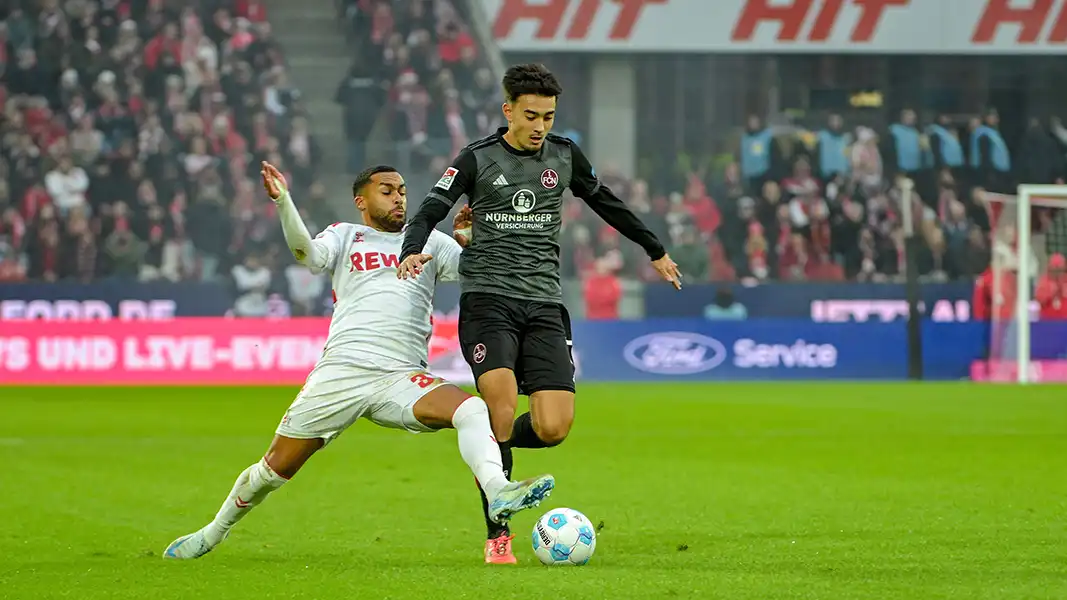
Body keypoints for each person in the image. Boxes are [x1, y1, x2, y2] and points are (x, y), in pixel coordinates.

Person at [162, 162, 554, 560]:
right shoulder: (346, 236)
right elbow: (308, 255)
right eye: (387, 191)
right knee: (272, 472)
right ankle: (212, 533)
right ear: (361, 201)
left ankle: (498, 491)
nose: (399, 197)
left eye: (402, 189)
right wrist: (284, 202)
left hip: (401, 377)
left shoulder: (430, 242)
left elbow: (483, 275)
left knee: (471, 409)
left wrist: (472, 243)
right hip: (341, 373)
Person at [398, 63, 680, 564]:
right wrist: (412, 249)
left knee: (553, 427)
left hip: (545, 303)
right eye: (531, 116)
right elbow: (429, 208)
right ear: (508, 110)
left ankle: (489, 440)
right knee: (501, 403)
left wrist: (653, 248)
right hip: (488, 299)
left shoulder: (565, 156)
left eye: (548, 117)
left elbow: (607, 203)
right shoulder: (476, 158)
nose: (540, 126)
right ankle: (497, 534)